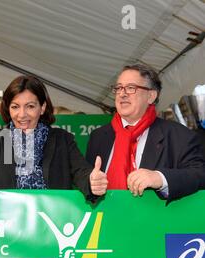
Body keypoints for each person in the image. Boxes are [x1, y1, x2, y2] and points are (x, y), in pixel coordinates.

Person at [0, 75, 108, 199]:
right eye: (15, 107)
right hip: (10, 230)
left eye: (30, 106)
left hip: (53, 226)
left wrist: (92, 182)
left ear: (42, 107)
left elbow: (82, 173)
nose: (22, 114)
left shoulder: (62, 140)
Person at [86, 64, 205, 201]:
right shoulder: (99, 137)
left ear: (151, 96)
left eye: (131, 88)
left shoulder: (179, 135)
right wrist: (91, 184)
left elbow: (199, 173)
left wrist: (160, 178)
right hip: (105, 219)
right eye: (118, 88)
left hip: (157, 221)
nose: (122, 94)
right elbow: (88, 182)